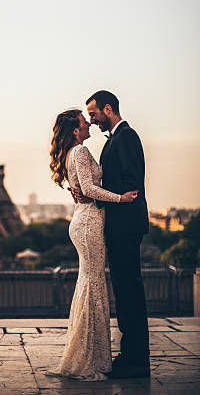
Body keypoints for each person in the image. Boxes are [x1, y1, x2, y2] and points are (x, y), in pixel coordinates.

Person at [46, 108, 139, 381]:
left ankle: (87, 353)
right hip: (89, 224)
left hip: (83, 221)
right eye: (83, 122)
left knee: (89, 283)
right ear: (75, 130)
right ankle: (91, 357)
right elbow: (87, 189)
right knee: (94, 284)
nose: (88, 124)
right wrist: (121, 198)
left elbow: (78, 185)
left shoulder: (71, 153)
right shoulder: (81, 152)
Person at [71, 90, 150, 379]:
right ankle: (132, 355)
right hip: (119, 225)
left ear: (108, 108)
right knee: (126, 292)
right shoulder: (115, 140)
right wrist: (86, 190)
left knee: (129, 291)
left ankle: (136, 360)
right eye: (87, 116)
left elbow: (130, 183)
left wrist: (103, 197)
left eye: (93, 114)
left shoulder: (126, 137)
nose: (91, 120)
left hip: (125, 226)